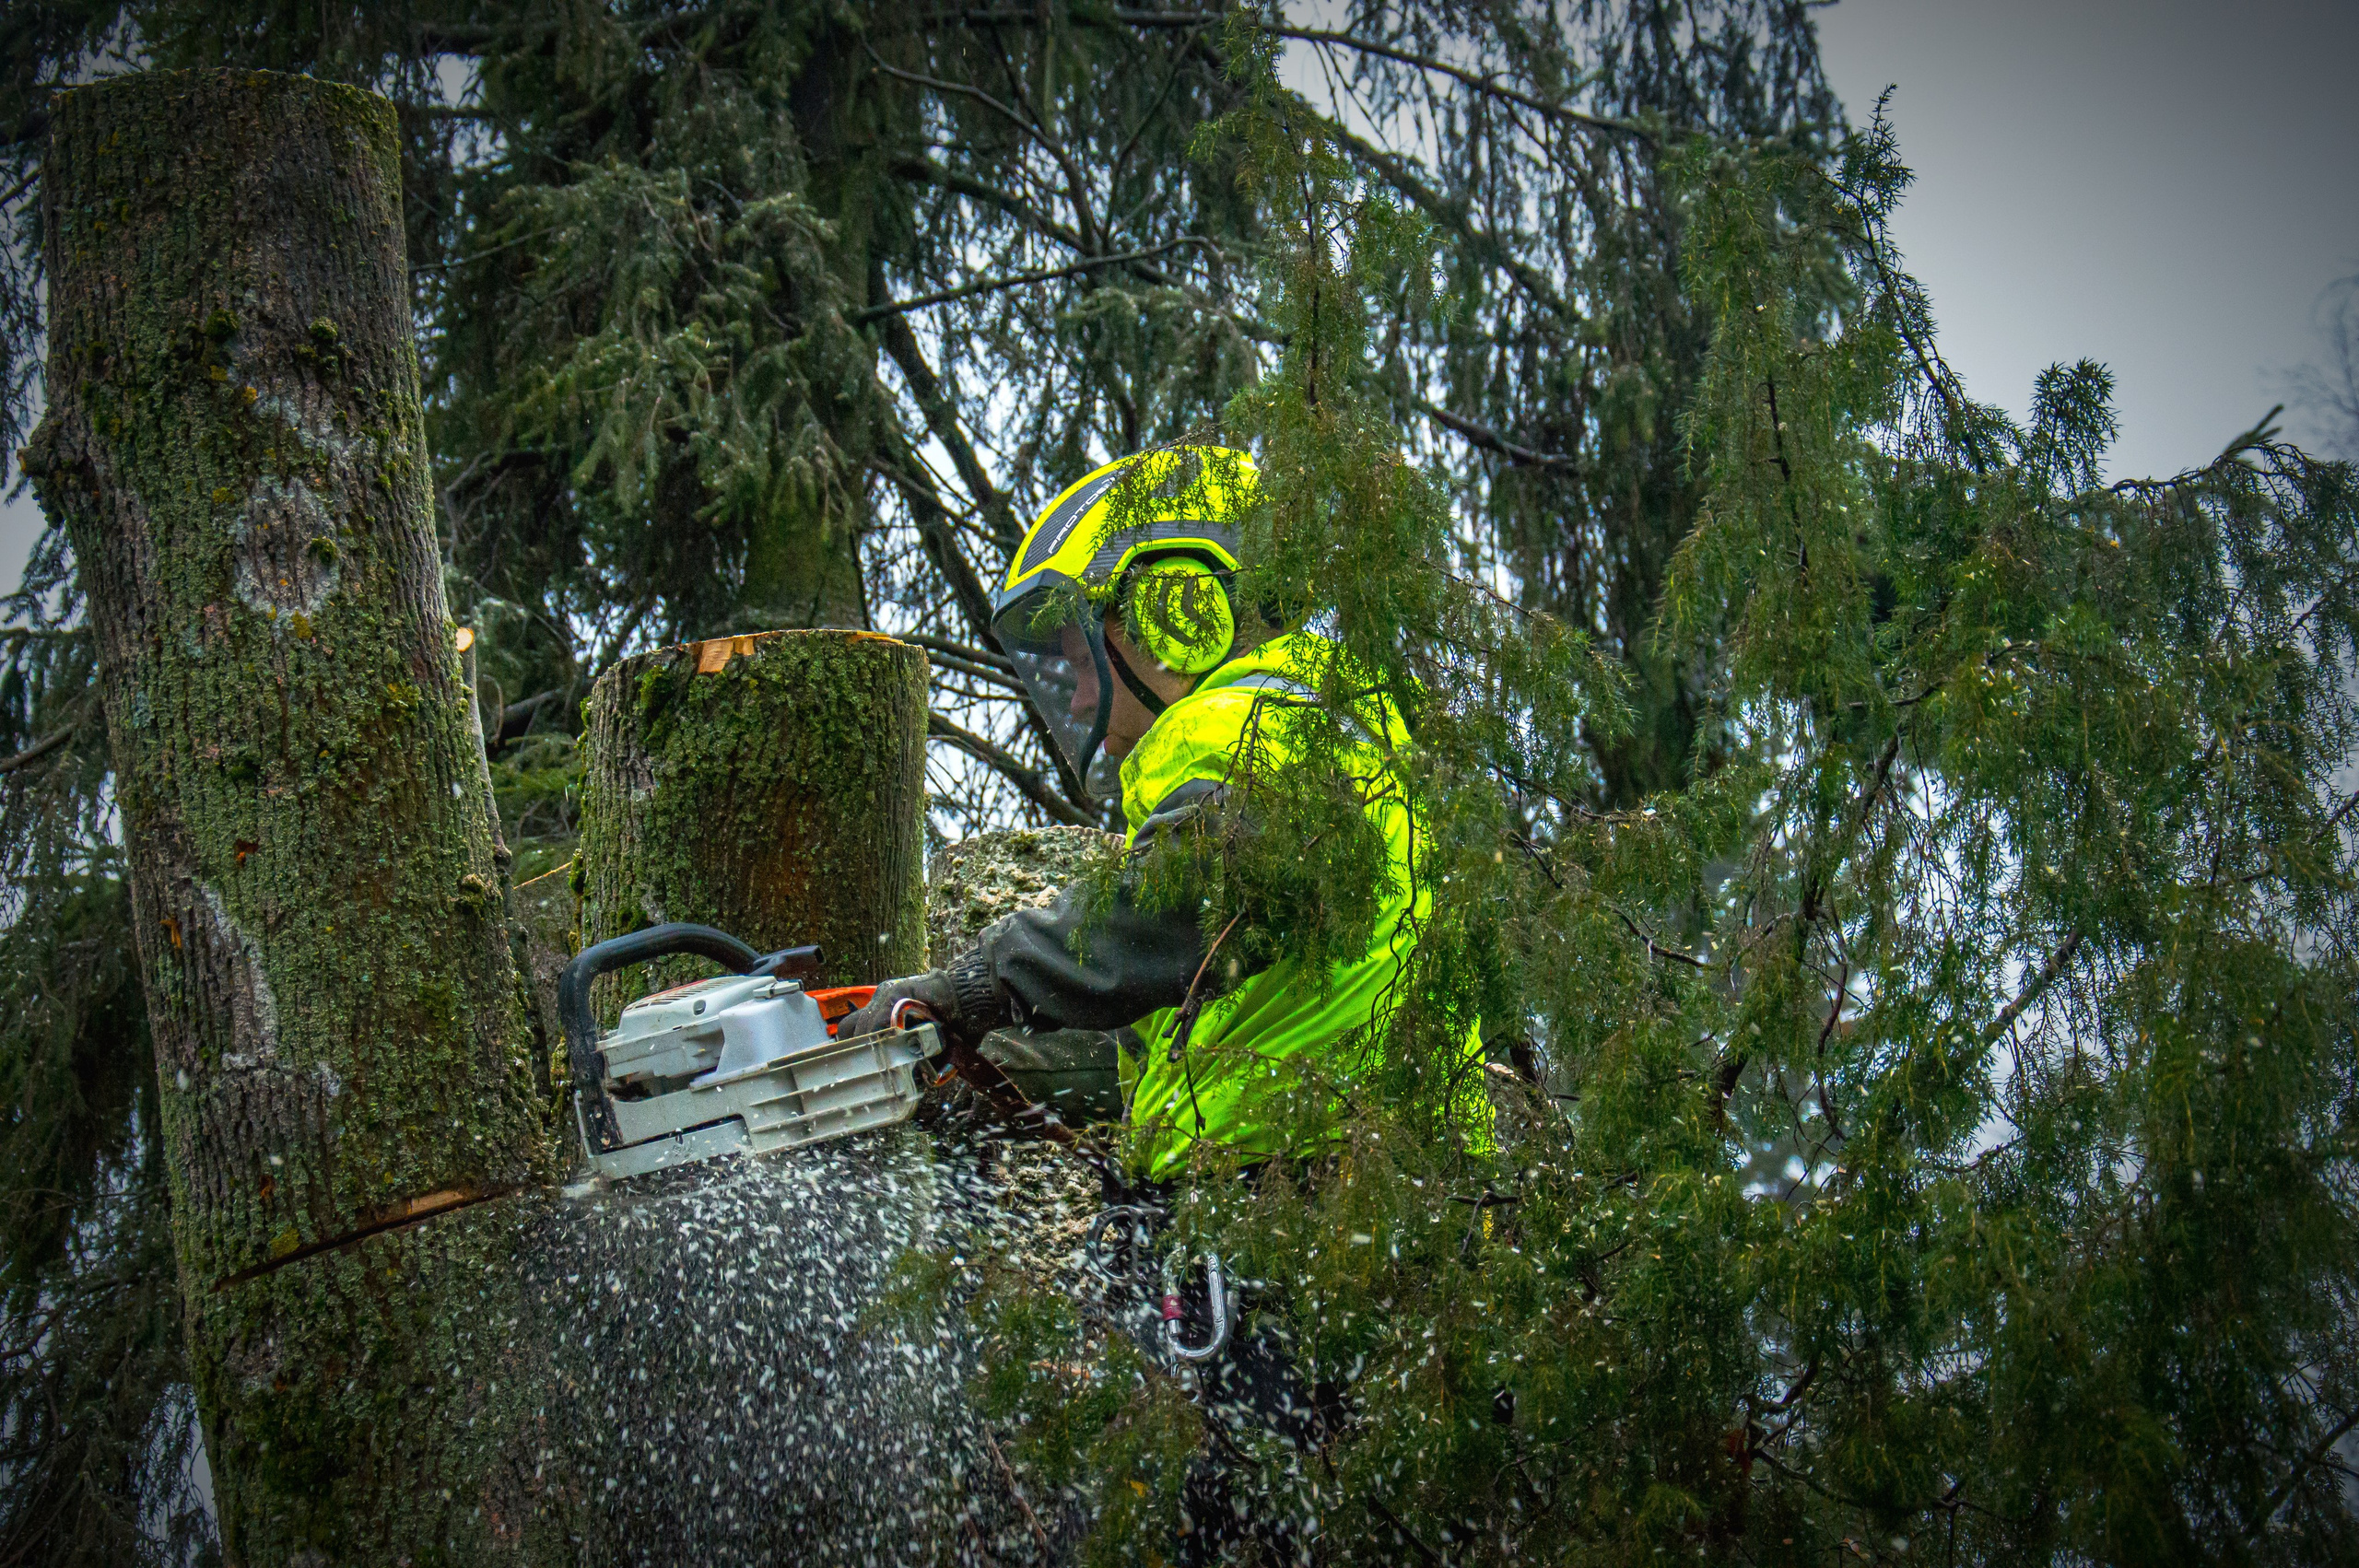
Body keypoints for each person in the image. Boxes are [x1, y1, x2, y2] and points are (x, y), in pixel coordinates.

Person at [834, 444, 1479, 1561]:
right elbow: (1204, 1024)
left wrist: (974, 983)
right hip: (1299, 1216)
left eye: (1082, 652)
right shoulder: (1311, 732)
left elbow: (1176, 909)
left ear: (1179, 608)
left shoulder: (1274, 730)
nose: (1075, 690)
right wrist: (973, 1072)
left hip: (1306, 1227)